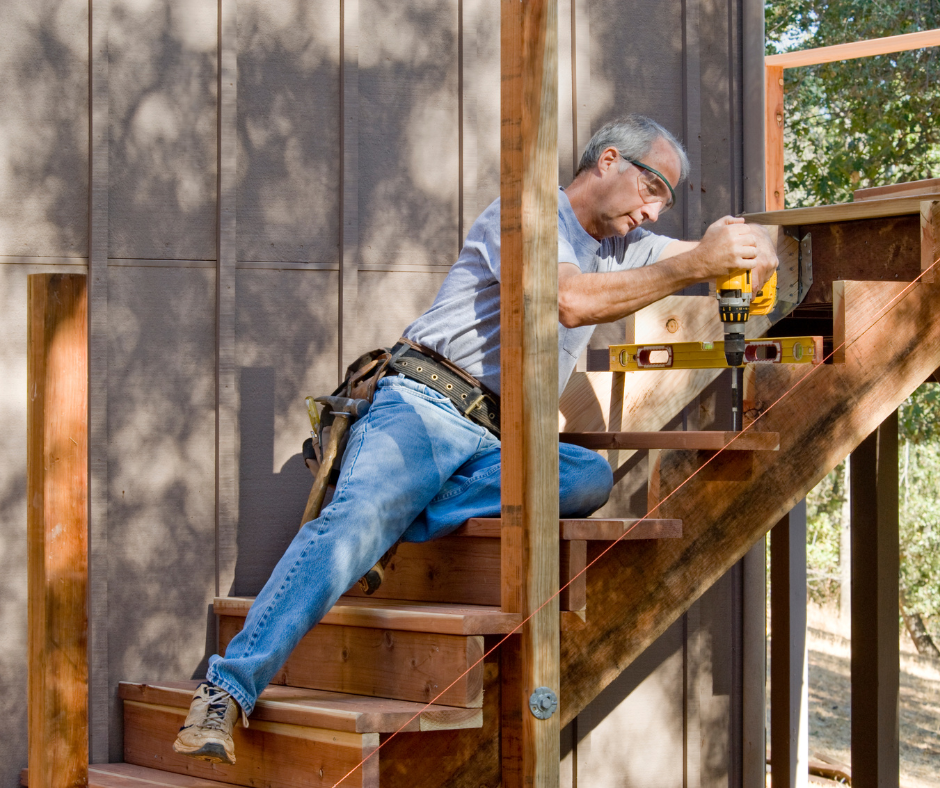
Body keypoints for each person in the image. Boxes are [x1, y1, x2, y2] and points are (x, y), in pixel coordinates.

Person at [172, 114, 778, 765]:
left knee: (586, 477)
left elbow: (707, 254)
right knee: (353, 523)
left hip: (497, 439)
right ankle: (225, 692)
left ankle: (403, 507)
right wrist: (697, 261)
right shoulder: (526, 214)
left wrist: (749, 252)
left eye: (668, 199)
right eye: (653, 187)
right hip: (426, 401)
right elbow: (570, 302)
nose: (656, 211)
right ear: (608, 162)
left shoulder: (627, 248)